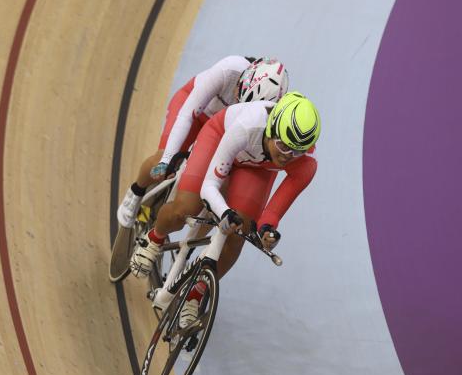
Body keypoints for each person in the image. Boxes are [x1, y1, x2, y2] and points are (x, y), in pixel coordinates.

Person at [129, 91, 321, 327]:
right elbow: (209, 186)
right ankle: (154, 237)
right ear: (271, 129)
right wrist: (223, 211)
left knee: (237, 235)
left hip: (257, 168)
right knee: (185, 209)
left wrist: (267, 231)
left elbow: (271, 215)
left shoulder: (303, 164)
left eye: (296, 152)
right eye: (282, 146)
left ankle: (196, 293)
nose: (286, 156)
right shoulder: (247, 125)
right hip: (220, 138)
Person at [116, 56, 290, 228]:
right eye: (238, 97)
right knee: (163, 159)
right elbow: (186, 115)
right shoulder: (229, 70)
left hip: (222, 130)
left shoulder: (268, 116)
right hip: (196, 113)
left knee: (220, 191)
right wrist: (167, 159)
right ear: (242, 80)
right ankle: (136, 191)